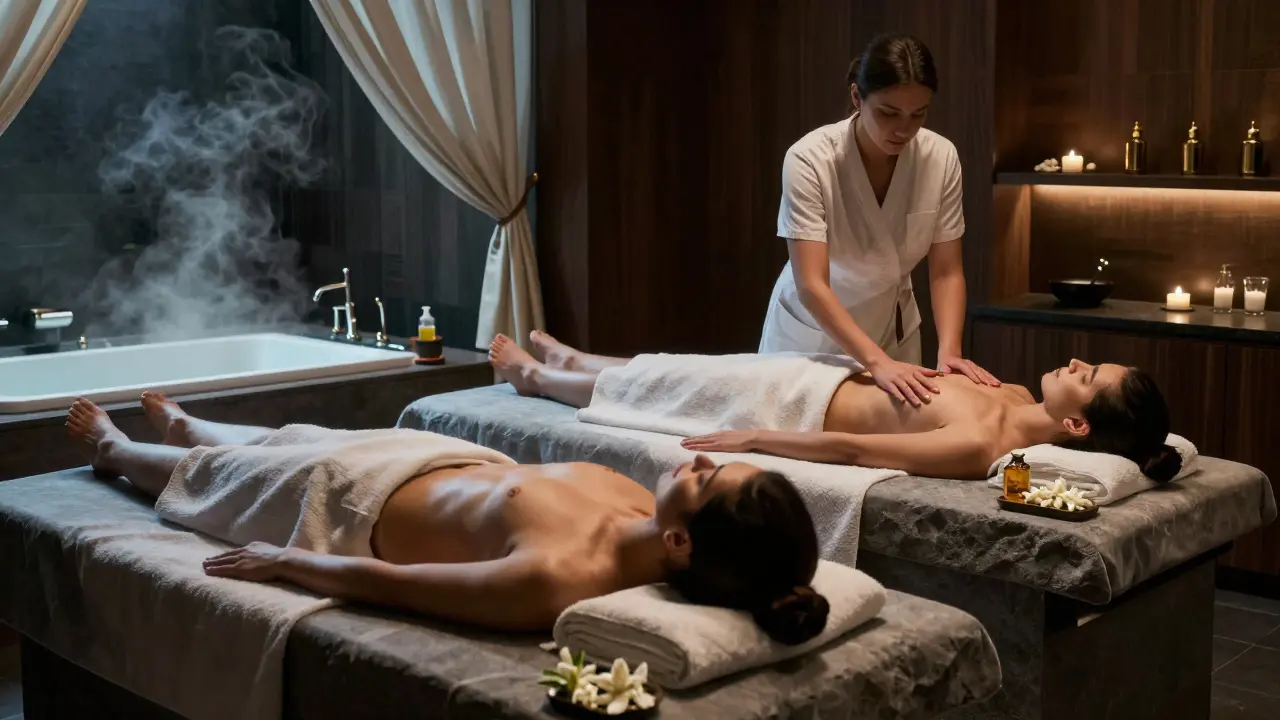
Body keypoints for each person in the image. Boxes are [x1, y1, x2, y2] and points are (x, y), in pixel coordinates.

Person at [63, 392, 830, 644]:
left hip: (346, 502)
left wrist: (288, 562)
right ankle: (193, 427)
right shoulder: (638, 506)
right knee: (291, 439)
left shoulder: (558, 576)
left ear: (678, 540)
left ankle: (117, 450)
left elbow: (396, 584)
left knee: (225, 477)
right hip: (428, 459)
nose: (694, 460)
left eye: (704, 478)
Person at [490, 331, 1182, 483]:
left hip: (799, 410)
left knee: (672, 391)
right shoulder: (1010, 394)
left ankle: (541, 381)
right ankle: (578, 361)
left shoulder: (978, 449)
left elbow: (857, 451)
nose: (1076, 362)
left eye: (1088, 375)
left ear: (1076, 425)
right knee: (684, 367)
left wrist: (759, 438)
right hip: (819, 373)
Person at [761, 32, 999, 408]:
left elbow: (946, 271)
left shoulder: (940, 158)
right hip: (813, 332)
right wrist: (876, 362)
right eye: (888, 113)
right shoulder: (810, 160)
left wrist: (950, 350)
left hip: (891, 330)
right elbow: (811, 284)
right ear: (857, 97)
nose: (904, 129)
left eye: (918, 113)